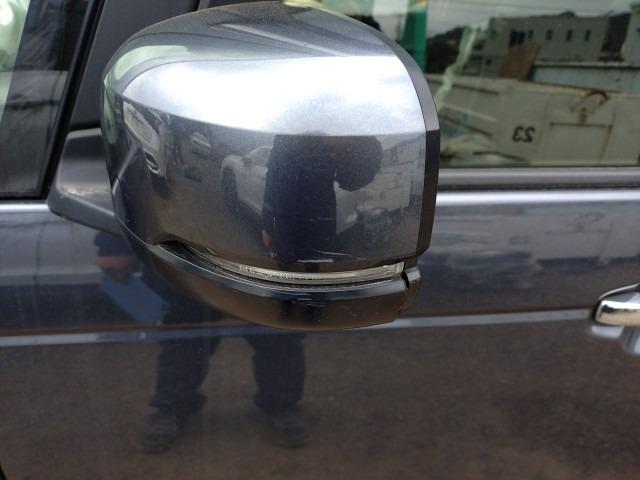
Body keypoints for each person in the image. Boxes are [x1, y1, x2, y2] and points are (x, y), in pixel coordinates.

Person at [94, 232, 307, 453]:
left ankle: (283, 404)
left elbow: (296, 209)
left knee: (277, 339)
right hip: (184, 262)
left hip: (258, 262)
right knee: (183, 343)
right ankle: (172, 408)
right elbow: (135, 207)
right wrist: (114, 246)